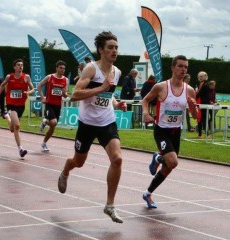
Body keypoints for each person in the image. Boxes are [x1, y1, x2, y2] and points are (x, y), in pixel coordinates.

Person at [58, 31, 127, 223]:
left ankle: (110, 205)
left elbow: (109, 95)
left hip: (107, 122)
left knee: (118, 159)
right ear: (100, 50)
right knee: (79, 162)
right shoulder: (91, 69)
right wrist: (101, 88)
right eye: (110, 47)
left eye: (116, 47)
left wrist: (117, 103)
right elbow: (76, 94)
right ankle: (66, 169)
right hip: (87, 123)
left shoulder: (117, 72)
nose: (114, 51)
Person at [141, 55, 198, 209]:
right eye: (180, 66)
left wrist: (193, 107)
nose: (183, 69)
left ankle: (147, 193)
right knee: (173, 161)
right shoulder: (161, 87)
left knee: (169, 167)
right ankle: (159, 158)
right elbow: (145, 100)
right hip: (161, 131)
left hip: (176, 132)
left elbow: (194, 116)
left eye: (185, 67)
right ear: (173, 68)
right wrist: (146, 113)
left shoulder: (190, 90)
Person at [0, 59, 34, 158]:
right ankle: (20, 149)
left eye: (22, 65)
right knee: (17, 125)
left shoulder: (26, 77)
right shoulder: (9, 76)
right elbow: (2, 85)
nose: (20, 66)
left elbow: (33, 88)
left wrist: (28, 92)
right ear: (14, 67)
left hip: (21, 105)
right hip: (11, 104)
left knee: (12, 129)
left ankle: (7, 117)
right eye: (18, 65)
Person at [38, 60, 68, 152]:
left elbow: (64, 94)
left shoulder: (65, 80)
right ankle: (45, 121)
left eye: (64, 68)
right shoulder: (49, 77)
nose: (62, 70)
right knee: (54, 122)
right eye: (60, 68)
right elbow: (39, 86)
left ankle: (44, 143)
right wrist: (43, 97)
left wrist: (65, 94)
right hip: (49, 104)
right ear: (57, 68)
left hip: (58, 106)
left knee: (53, 126)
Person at [196, 71, 210, 138]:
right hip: (203, 103)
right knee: (203, 119)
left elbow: (200, 94)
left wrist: (194, 96)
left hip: (203, 104)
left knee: (202, 119)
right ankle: (204, 134)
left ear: (205, 76)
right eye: (199, 76)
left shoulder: (205, 84)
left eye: (201, 76)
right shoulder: (202, 84)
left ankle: (201, 134)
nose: (200, 77)